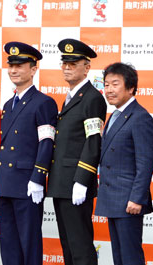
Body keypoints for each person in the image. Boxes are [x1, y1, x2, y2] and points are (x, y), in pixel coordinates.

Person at [0, 41, 57, 265]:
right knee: (9, 245)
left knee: (29, 243)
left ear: (33, 69)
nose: (14, 70)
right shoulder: (8, 104)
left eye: (20, 66)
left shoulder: (44, 103)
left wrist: (38, 177)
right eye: (11, 65)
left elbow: (46, 143)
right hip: (6, 183)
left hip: (27, 184)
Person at [46, 38, 106, 265]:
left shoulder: (92, 98)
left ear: (87, 67)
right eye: (65, 63)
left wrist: (82, 180)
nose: (67, 67)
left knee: (80, 245)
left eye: (73, 63)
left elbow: (93, 141)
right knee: (68, 245)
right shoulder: (71, 97)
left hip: (75, 184)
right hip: (61, 182)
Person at [94, 62, 153, 265]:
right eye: (107, 85)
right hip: (113, 198)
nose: (109, 90)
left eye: (115, 84)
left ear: (130, 88)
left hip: (129, 201)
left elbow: (145, 162)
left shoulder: (140, 117)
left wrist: (137, 199)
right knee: (119, 257)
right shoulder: (114, 115)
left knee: (130, 257)